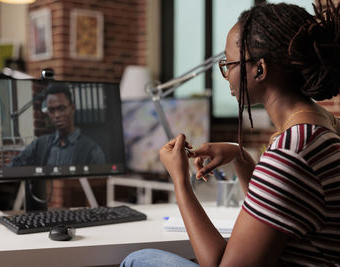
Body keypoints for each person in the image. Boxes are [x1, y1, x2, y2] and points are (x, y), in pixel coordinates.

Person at [121, 1, 340, 266]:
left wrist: (180, 180)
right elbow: (271, 216)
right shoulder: (323, 126)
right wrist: (240, 157)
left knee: (139, 259)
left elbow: (220, 264)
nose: (225, 75)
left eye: (229, 63)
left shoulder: (291, 151)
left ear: (260, 69)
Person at [10, 83, 105, 167]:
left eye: (61, 108)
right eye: (51, 110)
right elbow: (11, 168)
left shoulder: (91, 151)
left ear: (72, 108)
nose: (57, 115)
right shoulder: (39, 145)